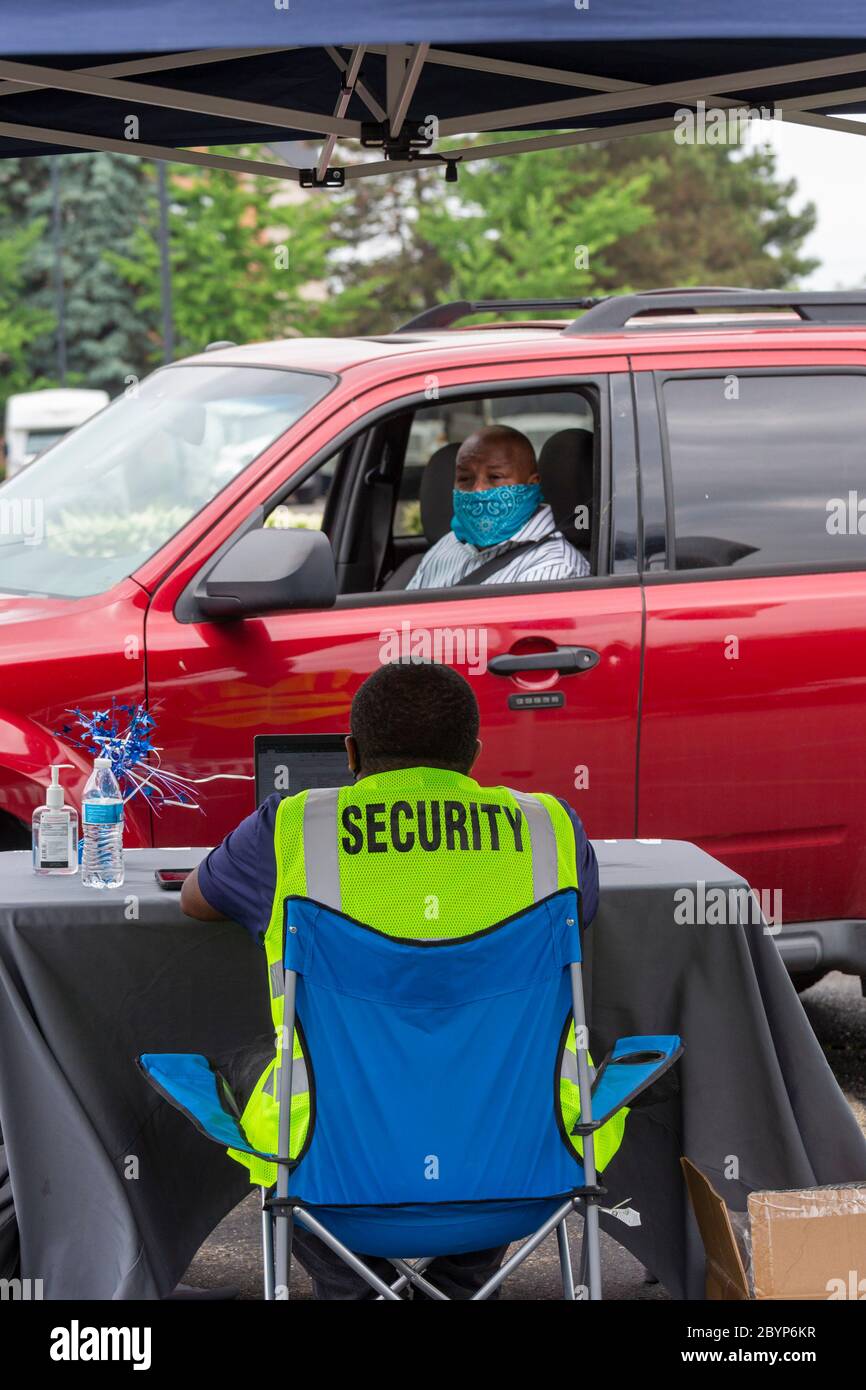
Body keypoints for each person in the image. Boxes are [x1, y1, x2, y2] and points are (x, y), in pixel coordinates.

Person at [181, 661, 601, 1300]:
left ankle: (359, 1283)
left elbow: (195, 898)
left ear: (350, 753)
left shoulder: (291, 826)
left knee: (258, 1072)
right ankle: (461, 1281)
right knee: (508, 1078)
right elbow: (583, 910)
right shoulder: (551, 828)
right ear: (474, 756)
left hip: (336, 1175)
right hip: (521, 1168)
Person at [406, 423, 588, 589]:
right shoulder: (446, 546)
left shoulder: (554, 566)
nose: (477, 490)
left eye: (495, 477)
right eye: (464, 479)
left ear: (531, 484)